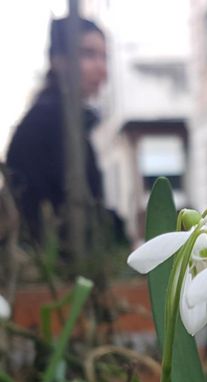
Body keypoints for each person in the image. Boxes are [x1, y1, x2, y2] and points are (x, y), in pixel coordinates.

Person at [6, 16, 109, 243]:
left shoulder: (73, 124)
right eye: (88, 54)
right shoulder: (47, 124)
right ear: (58, 60)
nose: (102, 69)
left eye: (104, 57)